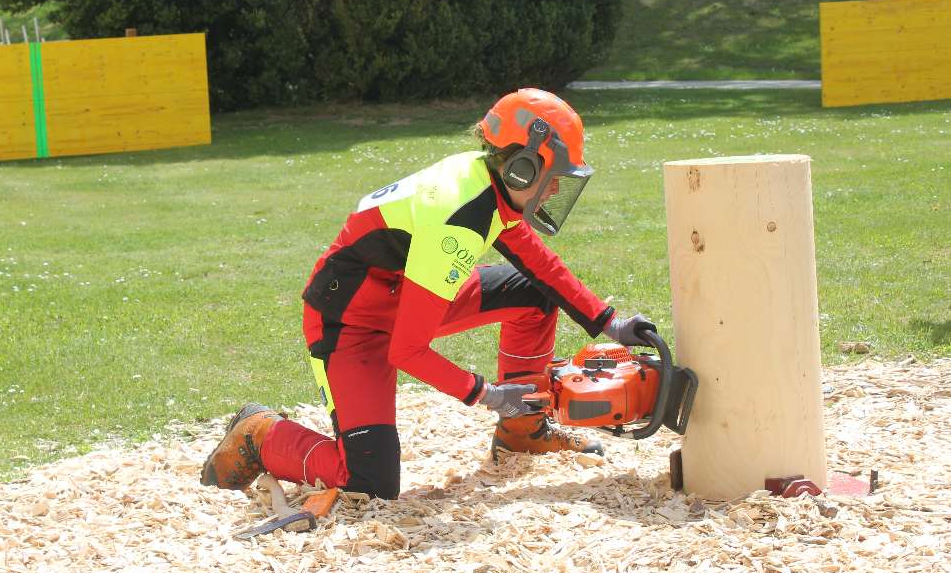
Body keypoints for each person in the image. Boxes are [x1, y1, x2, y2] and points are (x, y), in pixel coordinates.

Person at [200, 88, 655, 499]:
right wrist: (488, 394)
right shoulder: (458, 217)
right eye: (553, 175)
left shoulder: (487, 182)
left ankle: (522, 433)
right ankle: (259, 434)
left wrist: (609, 321)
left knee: (534, 294)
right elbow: (407, 350)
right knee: (369, 481)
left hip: (405, 293)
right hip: (349, 323)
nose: (556, 187)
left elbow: (539, 265)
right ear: (523, 167)